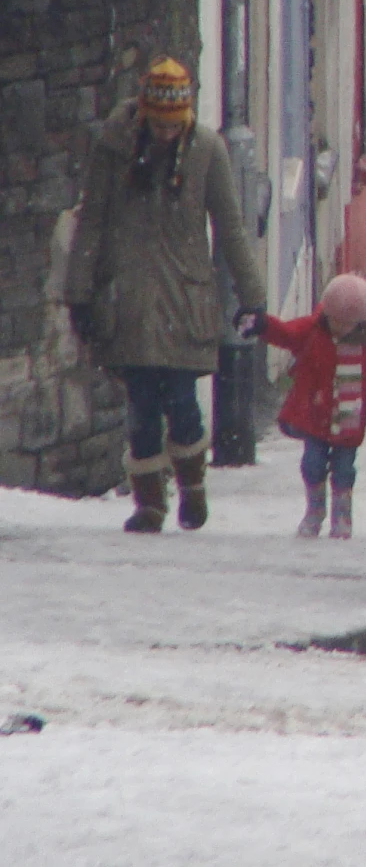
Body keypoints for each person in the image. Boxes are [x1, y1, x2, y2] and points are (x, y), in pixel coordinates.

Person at [63, 57, 265, 533]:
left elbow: (230, 227)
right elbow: (91, 219)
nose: (166, 134)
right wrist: (80, 292)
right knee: (141, 405)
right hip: (129, 298)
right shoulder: (114, 149)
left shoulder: (207, 150)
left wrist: (252, 296)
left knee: (181, 399)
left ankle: (192, 489)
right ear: (145, 115)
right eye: (158, 125)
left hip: (184, 297)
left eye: (174, 125)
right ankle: (149, 502)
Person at [245, 273, 366, 539]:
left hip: (349, 423)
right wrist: (262, 325)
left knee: (344, 470)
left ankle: (342, 515)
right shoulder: (312, 331)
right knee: (312, 464)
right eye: (334, 319)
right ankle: (315, 511)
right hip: (315, 418)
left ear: (360, 322)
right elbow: (286, 333)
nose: (338, 327)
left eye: (345, 324)